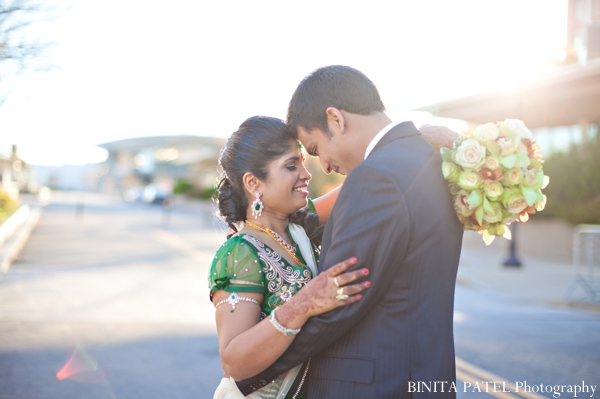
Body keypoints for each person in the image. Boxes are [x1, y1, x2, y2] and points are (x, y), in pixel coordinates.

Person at [236, 65, 464, 398]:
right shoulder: (429, 163)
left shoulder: (375, 178)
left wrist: (251, 376)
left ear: (336, 119)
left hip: (378, 386)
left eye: (314, 150)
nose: (324, 167)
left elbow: (339, 300)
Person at [209, 116, 371, 399]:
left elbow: (365, 186)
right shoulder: (239, 252)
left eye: (303, 162)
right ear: (253, 182)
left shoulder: (299, 226)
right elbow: (233, 362)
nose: (306, 174)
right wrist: (304, 304)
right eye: (291, 165)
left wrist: (412, 143)